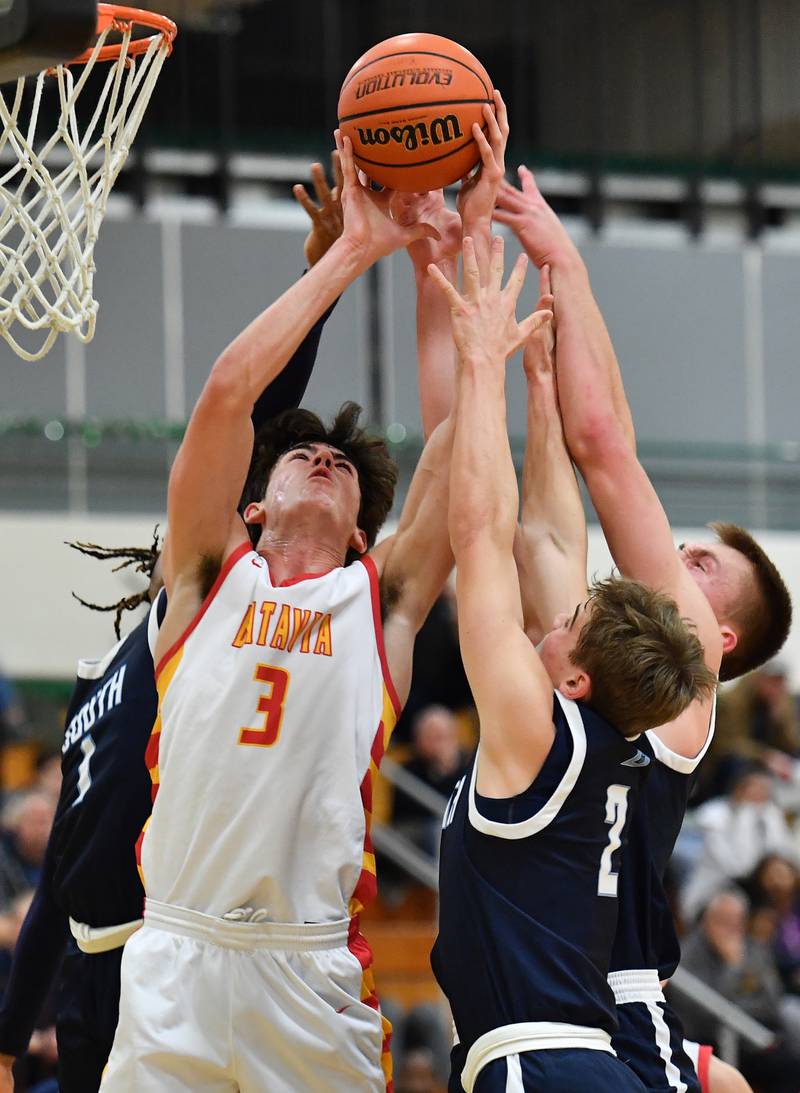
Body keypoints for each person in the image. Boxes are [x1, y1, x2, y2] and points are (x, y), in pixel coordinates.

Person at [99, 101, 514, 1092]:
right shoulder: (205, 579)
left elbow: (457, 439)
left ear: (365, 531)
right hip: (176, 959)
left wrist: (443, 262)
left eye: (338, 462)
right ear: (250, 506)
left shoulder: (382, 605)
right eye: (300, 456)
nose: (322, 455)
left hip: (309, 966)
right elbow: (224, 397)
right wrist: (350, 252)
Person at [0, 160, 349, 1093]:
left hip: (173, 962)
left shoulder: (197, 629)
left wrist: (320, 285)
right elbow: (61, 872)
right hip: (89, 977)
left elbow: (255, 419)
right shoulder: (106, 670)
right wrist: (7, 1028)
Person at [495, 167, 792, 1093]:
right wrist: (535, 388)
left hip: (605, 1005)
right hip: (567, 998)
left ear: (722, 642)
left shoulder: (685, 692)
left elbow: (609, 442)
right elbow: (544, 531)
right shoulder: (587, 664)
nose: (677, 557)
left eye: (703, 568)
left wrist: (564, 261)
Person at [427, 233, 714, 1092]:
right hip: (581, 1060)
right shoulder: (608, 746)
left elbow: (480, 535)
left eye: (569, 624)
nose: (548, 624)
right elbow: (544, 537)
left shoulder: (535, 732)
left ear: (577, 677)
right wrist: (539, 390)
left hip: (539, 1061)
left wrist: (481, 364)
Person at [679, 889, 800, 1093]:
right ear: (707, 920)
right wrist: (732, 967)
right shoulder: (689, 953)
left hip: (756, 1034)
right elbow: (705, 1012)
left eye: (736, 920)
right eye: (722, 919)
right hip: (712, 1039)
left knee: (791, 1065)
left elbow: (772, 1000)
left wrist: (746, 1006)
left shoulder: (753, 948)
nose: (730, 927)